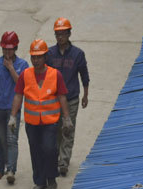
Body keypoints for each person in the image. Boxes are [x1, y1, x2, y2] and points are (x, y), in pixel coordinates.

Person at [9, 39, 73, 189]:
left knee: (49, 149)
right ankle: (40, 181)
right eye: (33, 57)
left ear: (45, 57)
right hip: (32, 122)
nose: (36, 60)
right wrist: (13, 116)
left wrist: (66, 118)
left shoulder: (55, 75)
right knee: (35, 150)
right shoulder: (26, 75)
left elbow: (62, 97)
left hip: (50, 121)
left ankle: (51, 178)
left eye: (39, 57)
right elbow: (18, 96)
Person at [0, 31, 29, 185]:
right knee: (1, 139)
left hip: (12, 109)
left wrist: (10, 68)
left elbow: (21, 85)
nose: (7, 52)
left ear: (16, 48)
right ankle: (1, 167)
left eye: (10, 49)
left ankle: (11, 170)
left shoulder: (22, 65)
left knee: (12, 139)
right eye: (5, 49)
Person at [47, 18, 89, 176]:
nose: (60, 37)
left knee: (68, 129)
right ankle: (56, 157)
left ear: (69, 34)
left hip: (71, 98)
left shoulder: (78, 54)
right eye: (57, 34)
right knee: (55, 129)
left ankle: (64, 161)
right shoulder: (50, 54)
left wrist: (85, 94)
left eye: (63, 33)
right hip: (53, 99)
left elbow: (84, 75)